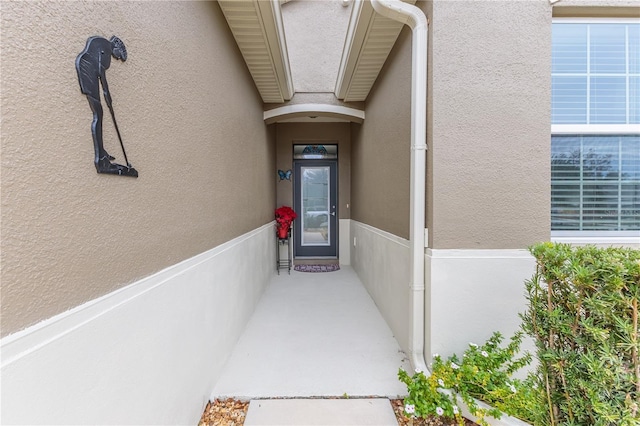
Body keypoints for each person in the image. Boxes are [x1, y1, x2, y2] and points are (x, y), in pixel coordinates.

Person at [76, 36, 137, 176]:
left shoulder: (103, 46)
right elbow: (101, 74)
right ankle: (101, 159)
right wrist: (107, 96)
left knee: (99, 113)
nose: (118, 58)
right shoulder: (105, 50)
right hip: (87, 73)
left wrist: (108, 97)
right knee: (98, 113)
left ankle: (102, 152)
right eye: (119, 56)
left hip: (88, 71)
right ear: (116, 47)